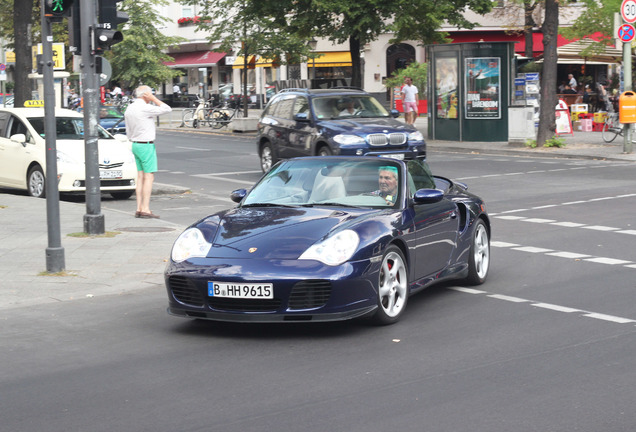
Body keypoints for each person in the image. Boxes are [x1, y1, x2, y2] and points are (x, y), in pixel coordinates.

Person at [125, 85, 172, 219]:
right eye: (150, 94)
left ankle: (139, 207)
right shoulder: (144, 107)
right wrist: (154, 98)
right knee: (149, 177)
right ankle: (145, 208)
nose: (152, 96)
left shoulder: (130, 108)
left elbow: (128, 130)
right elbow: (167, 109)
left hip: (135, 144)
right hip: (146, 144)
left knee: (140, 177)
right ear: (145, 95)